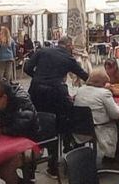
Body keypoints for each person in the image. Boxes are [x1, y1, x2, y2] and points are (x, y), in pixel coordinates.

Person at [23, 36, 87, 176]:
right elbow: (84, 75)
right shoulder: (69, 59)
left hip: (36, 92)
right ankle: (60, 155)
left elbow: (26, 67)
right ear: (69, 45)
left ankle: (32, 160)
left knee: (37, 122)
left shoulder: (43, 51)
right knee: (58, 123)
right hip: (55, 94)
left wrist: (38, 77)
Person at [73, 68, 119, 164]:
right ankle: (111, 158)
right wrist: (118, 107)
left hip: (80, 127)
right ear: (103, 81)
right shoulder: (104, 93)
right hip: (98, 128)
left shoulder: (80, 90)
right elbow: (116, 114)